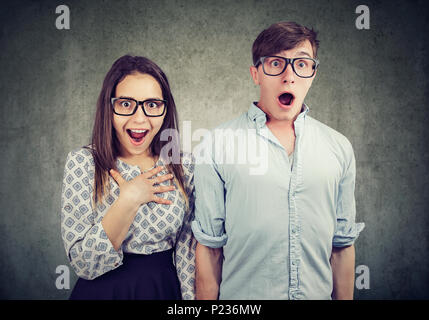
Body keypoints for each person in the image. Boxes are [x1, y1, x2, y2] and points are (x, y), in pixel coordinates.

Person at [191, 21, 365, 300]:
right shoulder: (215, 144)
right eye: (275, 63)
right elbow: (210, 249)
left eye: (302, 64)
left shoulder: (339, 147)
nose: (289, 76)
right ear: (255, 74)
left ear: (313, 73)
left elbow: (341, 246)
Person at [60, 55, 196, 300]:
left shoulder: (184, 167)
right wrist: (129, 200)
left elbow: (187, 255)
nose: (140, 118)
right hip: (101, 292)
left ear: (165, 109)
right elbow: (83, 264)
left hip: (162, 291)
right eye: (126, 104)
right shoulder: (83, 163)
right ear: (109, 108)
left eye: (152, 105)